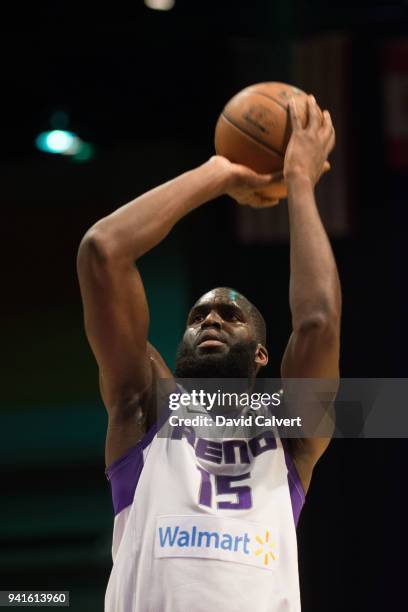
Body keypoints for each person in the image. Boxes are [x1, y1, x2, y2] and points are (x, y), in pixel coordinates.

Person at [77, 95, 340, 612]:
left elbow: (317, 322)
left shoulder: (291, 439)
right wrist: (219, 173)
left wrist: (300, 182)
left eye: (230, 315)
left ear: (263, 354)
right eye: (198, 317)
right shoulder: (143, 408)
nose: (211, 319)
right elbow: (102, 251)